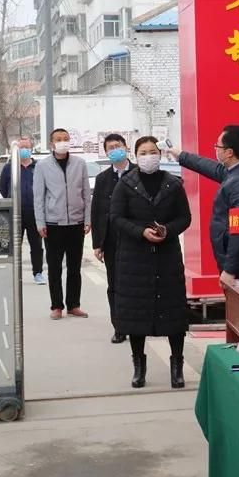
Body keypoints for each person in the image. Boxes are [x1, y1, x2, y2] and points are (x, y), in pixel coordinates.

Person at [110, 136, 192, 388]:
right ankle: (139, 366)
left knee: (174, 313)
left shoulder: (173, 184)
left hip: (167, 257)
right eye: (143, 152)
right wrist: (140, 232)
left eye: (152, 151)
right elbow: (116, 217)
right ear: (135, 156)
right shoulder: (125, 184)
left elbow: (185, 217)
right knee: (136, 314)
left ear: (160, 154)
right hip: (134, 258)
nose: (149, 156)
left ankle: (177, 366)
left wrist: (168, 230)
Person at [170, 125, 239, 287]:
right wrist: (181, 156)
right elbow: (214, 169)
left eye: (218, 146)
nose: (215, 148)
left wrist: (230, 270)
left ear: (229, 152)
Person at [33, 128, 91, 320]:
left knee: (74, 267)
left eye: (66, 138)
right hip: (53, 224)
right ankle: (57, 306)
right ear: (52, 144)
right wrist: (40, 222)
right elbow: (38, 197)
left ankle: (74, 305)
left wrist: (87, 219)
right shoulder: (42, 166)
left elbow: (86, 194)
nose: (63, 142)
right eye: (58, 139)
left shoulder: (80, 164)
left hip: (76, 223)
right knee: (54, 267)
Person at [91, 133, 134, 344]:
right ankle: (119, 326)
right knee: (115, 284)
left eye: (118, 145)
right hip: (112, 240)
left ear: (126, 147)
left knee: (135, 283)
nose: (115, 150)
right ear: (106, 152)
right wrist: (97, 244)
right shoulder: (102, 179)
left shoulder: (139, 173)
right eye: (111, 147)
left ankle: (138, 324)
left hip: (136, 238)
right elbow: (97, 212)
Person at [0, 139, 46, 285]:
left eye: (27, 147)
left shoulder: (38, 167)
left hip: (34, 212)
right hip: (15, 213)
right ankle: (13, 274)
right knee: (14, 245)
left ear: (31, 148)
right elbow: (3, 188)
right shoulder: (9, 168)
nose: (24, 150)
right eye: (21, 147)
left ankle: (38, 273)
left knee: (36, 245)